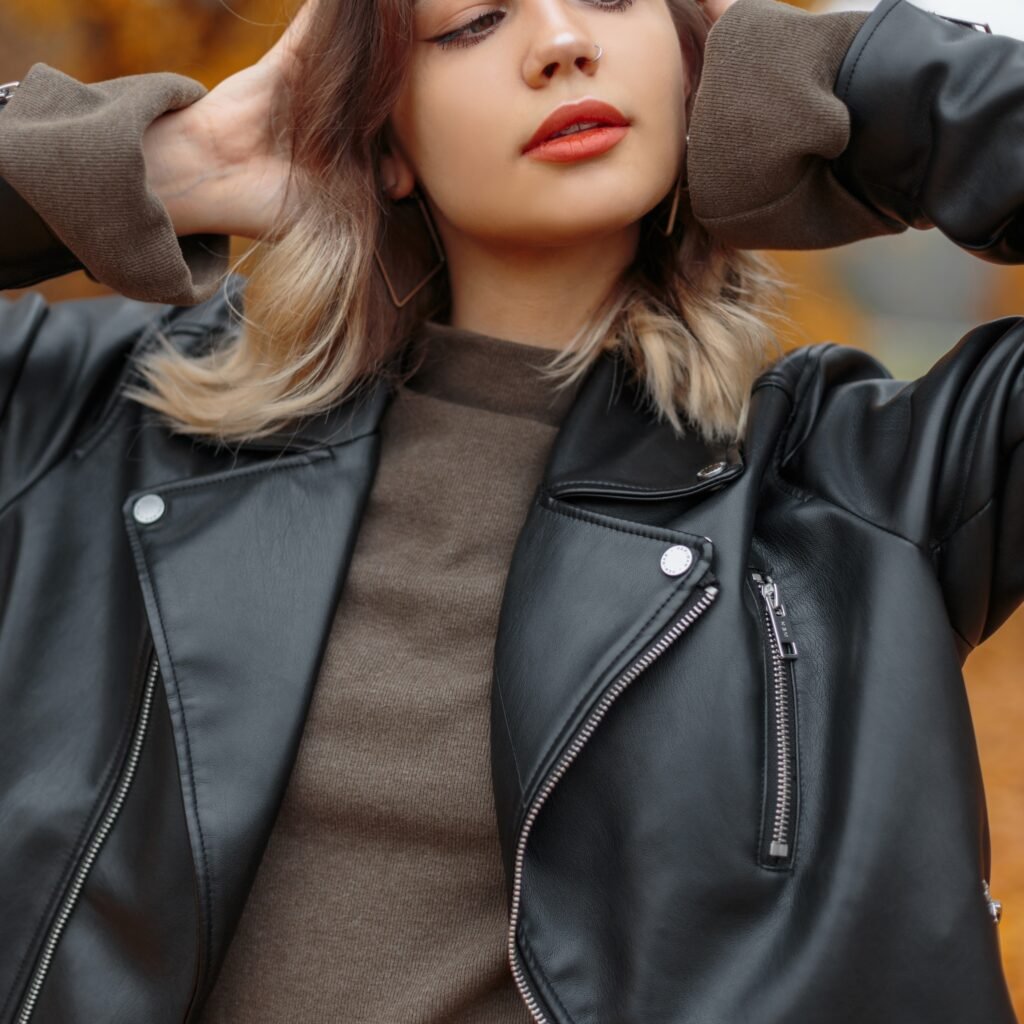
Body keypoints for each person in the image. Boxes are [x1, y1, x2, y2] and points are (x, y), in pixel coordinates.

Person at [0, 0, 1020, 1021]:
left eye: (615, 0)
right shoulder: (96, 430)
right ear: (385, 132)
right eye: (475, 20)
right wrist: (171, 164)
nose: (562, 42)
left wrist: (834, 82)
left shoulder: (872, 488)